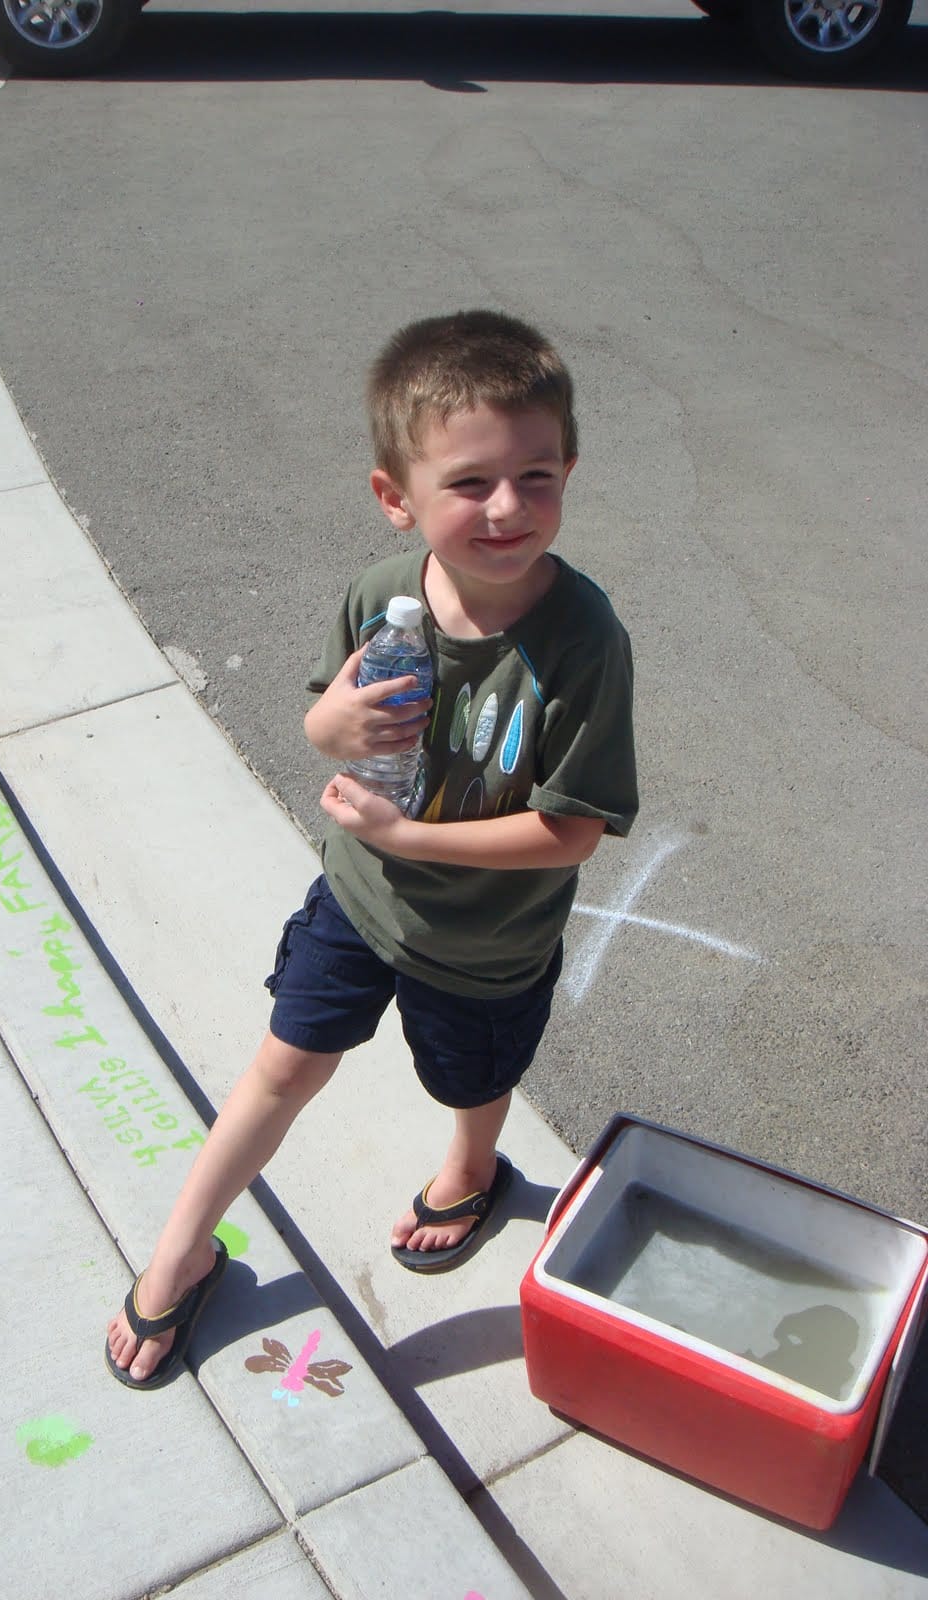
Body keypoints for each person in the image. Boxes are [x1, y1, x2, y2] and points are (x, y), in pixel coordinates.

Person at [106, 309, 638, 1389]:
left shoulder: (583, 639)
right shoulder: (378, 598)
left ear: (569, 470)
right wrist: (326, 733)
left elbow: (573, 826)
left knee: (469, 1076)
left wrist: (414, 830)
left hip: (486, 940)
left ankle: (471, 1168)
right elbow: (326, 721)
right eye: (470, 482)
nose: (508, 507)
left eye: (537, 476)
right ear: (397, 496)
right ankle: (183, 1245)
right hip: (358, 898)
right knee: (283, 1063)